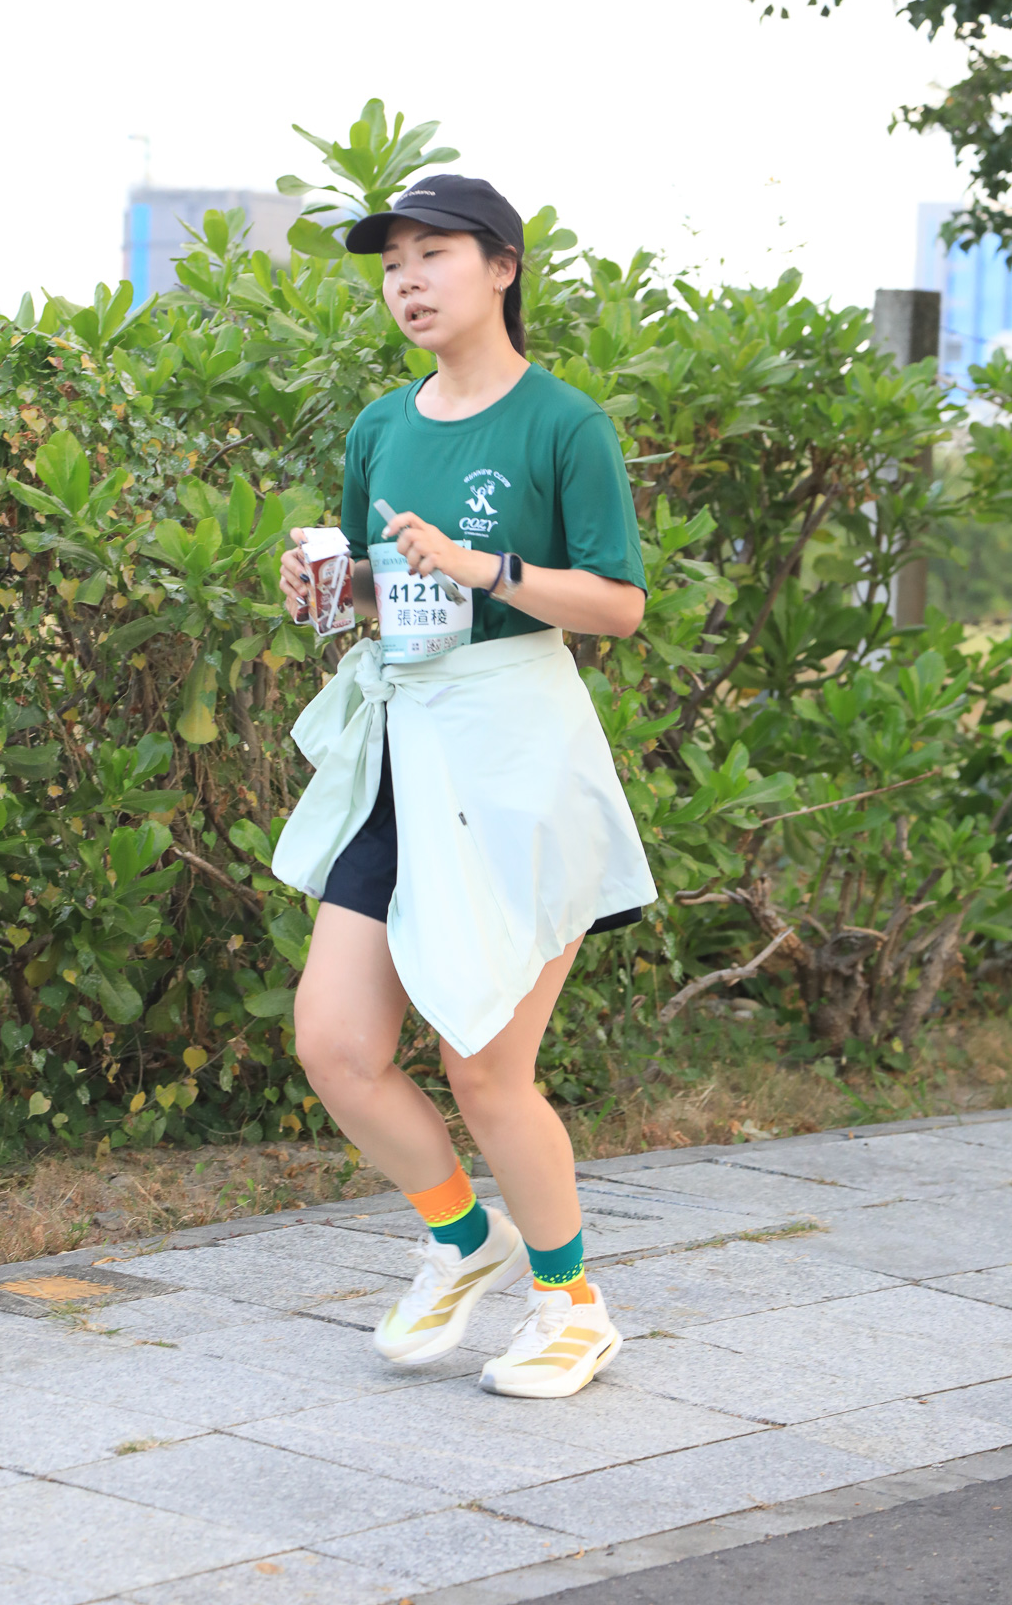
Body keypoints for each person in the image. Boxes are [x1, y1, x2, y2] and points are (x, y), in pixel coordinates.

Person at [275, 174, 656, 1399]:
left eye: (432, 254)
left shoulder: (564, 424)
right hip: (405, 748)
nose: (408, 281)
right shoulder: (381, 427)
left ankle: (572, 1305)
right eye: (392, 264)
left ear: (501, 267)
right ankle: (461, 1237)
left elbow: (618, 604)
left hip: (517, 758)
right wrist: (330, 588)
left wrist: (485, 565)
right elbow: (380, 586)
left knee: (485, 1066)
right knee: (335, 1045)